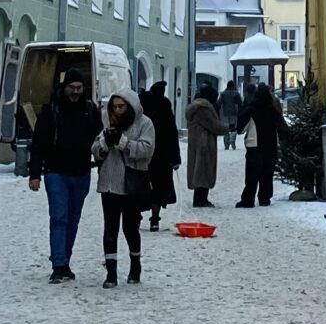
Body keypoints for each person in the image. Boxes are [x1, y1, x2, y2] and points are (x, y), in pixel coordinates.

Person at [28, 69, 101, 281]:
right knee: (59, 217)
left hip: (81, 172)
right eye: (72, 87)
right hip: (55, 172)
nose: (76, 92)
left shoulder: (90, 110)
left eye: (79, 88)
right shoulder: (51, 111)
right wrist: (35, 174)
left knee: (73, 219)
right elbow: (39, 144)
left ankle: (65, 260)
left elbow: (99, 140)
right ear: (64, 87)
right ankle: (59, 263)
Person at [92, 92, 155, 284]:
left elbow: (147, 149)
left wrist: (124, 143)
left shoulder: (145, 123)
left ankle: (135, 265)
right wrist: (104, 144)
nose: (117, 110)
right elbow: (95, 149)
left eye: (121, 106)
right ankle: (111, 273)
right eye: (114, 106)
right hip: (109, 183)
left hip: (131, 185)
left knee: (130, 228)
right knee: (110, 229)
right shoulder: (108, 121)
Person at [237, 80, 283, 208]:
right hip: (271, 144)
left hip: (255, 145)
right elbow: (281, 126)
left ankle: (248, 199)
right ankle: (264, 198)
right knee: (267, 174)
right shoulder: (273, 109)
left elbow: (241, 128)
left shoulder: (252, 109)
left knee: (252, 174)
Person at [142, 80, 180, 231]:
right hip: (162, 154)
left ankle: (137, 217)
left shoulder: (142, 103)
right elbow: (172, 132)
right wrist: (175, 156)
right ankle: (154, 219)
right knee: (158, 187)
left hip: (144, 151)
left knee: (142, 185)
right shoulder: (165, 105)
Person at [185, 84, 229, 208]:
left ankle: (200, 198)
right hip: (204, 143)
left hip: (197, 141)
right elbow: (213, 125)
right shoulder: (203, 108)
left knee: (199, 170)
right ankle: (201, 199)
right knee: (203, 171)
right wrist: (227, 127)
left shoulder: (196, 106)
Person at [218, 78, 243, 150]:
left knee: (226, 129)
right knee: (233, 129)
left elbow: (219, 103)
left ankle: (226, 144)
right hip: (234, 114)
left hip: (225, 114)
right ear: (233, 86)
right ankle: (232, 141)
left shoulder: (223, 94)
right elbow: (240, 104)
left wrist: (218, 112)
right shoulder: (236, 94)